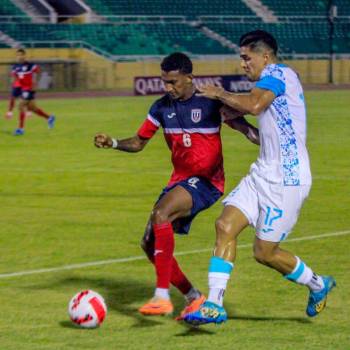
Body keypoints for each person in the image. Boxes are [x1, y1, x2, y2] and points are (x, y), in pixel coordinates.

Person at [184, 30, 336, 325]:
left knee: (264, 253)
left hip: (287, 179)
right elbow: (260, 137)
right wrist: (238, 125)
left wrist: (220, 94)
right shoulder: (270, 87)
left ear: (265, 57)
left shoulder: (281, 74)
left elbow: (253, 105)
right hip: (263, 172)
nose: (243, 64)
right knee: (224, 225)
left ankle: (318, 284)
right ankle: (214, 305)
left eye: (246, 58)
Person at [94, 52, 259, 319]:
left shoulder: (210, 104)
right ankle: (193, 297)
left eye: (173, 82)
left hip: (207, 181)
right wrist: (112, 142)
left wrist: (278, 146)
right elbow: (138, 142)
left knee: (161, 214)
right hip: (180, 180)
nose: (168, 88)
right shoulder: (161, 107)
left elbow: (245, 129)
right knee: (149, 244)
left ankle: (161, 297)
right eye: (164, 82)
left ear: (189, 77)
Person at [12, 48, 55, 136]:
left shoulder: (30, 65)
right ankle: (49, 118)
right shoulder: (15, 67)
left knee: (21, 105)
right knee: (33, 109)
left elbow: (39, 72)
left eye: (21, 55)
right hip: (22, 89)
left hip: (29, 89)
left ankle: (20, 129)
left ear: (24, 55)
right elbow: (16, 78)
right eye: (18, 55)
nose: (19, 57)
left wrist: (35, 84)